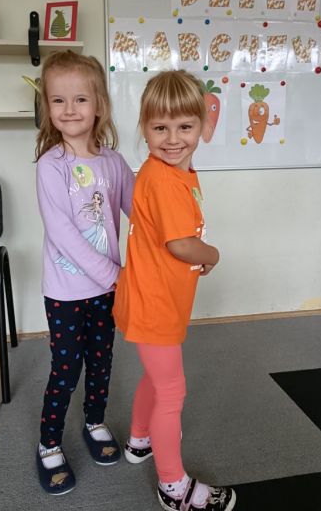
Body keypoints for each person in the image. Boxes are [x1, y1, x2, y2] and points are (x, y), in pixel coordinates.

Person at [113, 70, 236, 511]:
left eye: (184, 126)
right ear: (144, 127)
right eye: (159, 128)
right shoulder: (165, 179)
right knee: (171, 392)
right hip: (155, 304)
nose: (172, 139)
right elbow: (180, 244)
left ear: (203, 124)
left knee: (156, 377)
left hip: (156, 298)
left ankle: (140, 440)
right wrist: (213, 254)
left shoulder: (174, 172)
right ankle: (173, 487)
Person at [35, 50, 135, 495]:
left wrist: (179, 243)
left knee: (101, 361)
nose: (69, 109)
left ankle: (94, 422)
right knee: (65, 369)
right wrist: (115, 275)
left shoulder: (113, 163)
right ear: (47, 107)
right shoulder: (50, 166)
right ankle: (49, 443)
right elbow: (63, 236)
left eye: (80, 99)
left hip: (106, 290)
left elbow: (144, 213)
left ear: (99, 105)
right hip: (65, 292)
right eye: (58, 100)